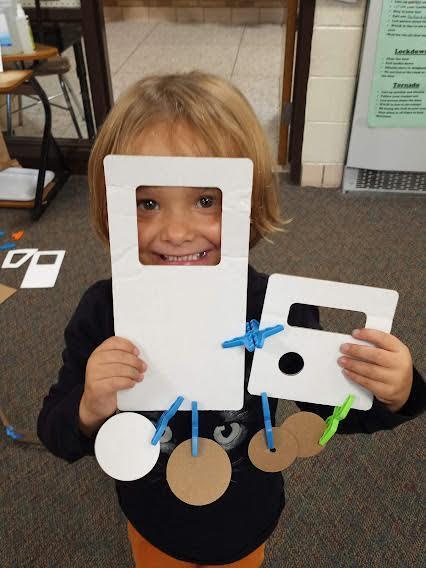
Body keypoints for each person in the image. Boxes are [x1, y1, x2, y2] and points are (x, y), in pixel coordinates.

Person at [37, 72, 425, 568]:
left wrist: (396, 390)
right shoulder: (102, 311)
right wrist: (90, 405)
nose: (176, 231)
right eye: (148, 202)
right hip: (153, 521)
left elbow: (328, 413)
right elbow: (55, 429)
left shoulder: (277, 309)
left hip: (247, 517)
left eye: (206, 200)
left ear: (248, 204)